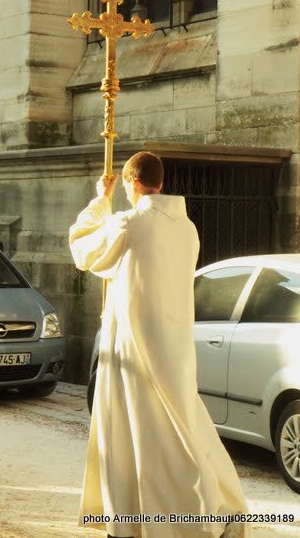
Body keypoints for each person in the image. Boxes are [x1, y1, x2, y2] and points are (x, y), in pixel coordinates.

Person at [69, 151, 252, 538]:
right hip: (174, 343)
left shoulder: (130, 222)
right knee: (182, 423)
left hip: (134, 342)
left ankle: (139, 519)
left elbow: (85, 252)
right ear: (162, 183)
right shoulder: (188, 229)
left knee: (134, 426)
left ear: (132, 182)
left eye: (127, 185)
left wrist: (100, 200)